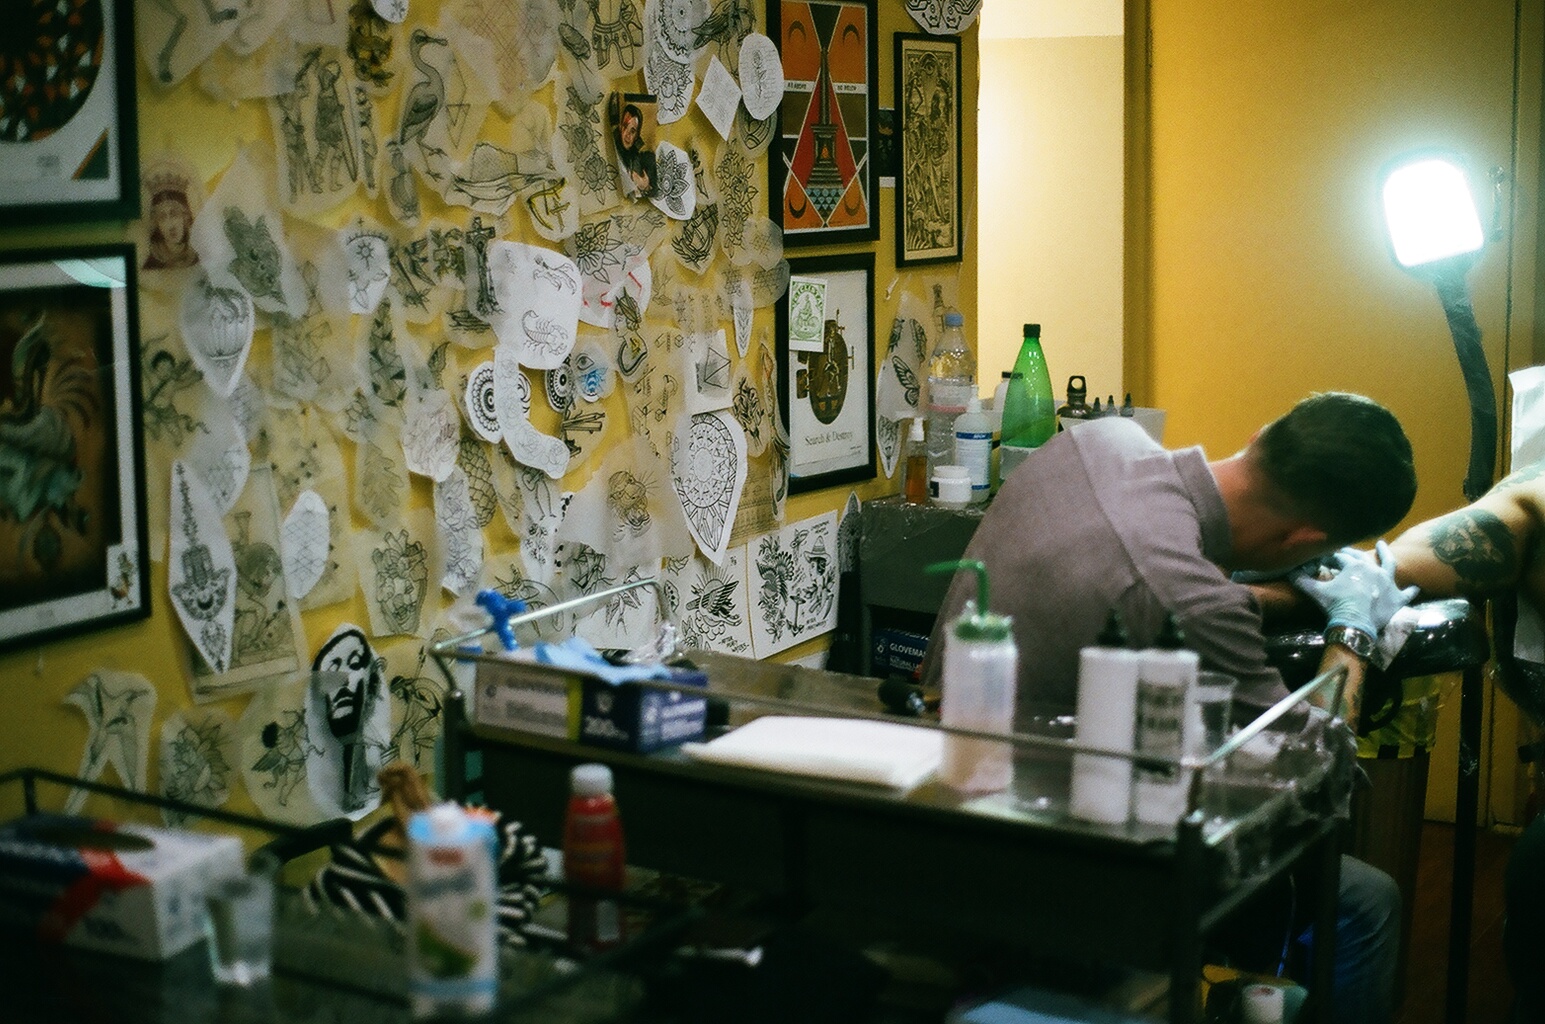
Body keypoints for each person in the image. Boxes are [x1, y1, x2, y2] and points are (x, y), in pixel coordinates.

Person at [919, 392, 1419, 1024]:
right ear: (1306, 538)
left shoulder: (1099, 439)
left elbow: (1156, 576)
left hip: (941, 792)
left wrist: (1252, 588)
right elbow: (1321, 775)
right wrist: (1354, 630)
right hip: (1041, 863)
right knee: (1366, 901)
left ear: (1265, 432)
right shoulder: (1193, 596)